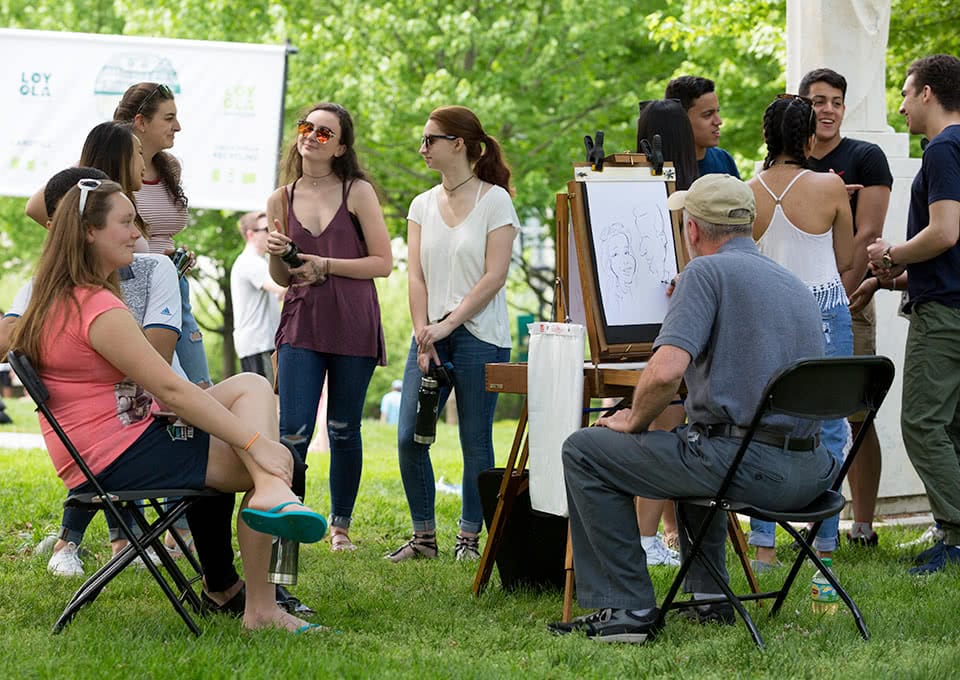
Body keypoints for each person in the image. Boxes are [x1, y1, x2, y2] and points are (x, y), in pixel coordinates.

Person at [9, 178, 327, 633]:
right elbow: (171, 390)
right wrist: (256, 443)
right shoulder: (96, 306)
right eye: (125, 223)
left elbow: (162, 395)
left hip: (113, 441)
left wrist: (250, 442)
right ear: (89, 232)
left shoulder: (55, 296)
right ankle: (262, 607)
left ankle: (267, 510)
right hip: (120, 454)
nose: (137, 234)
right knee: (283, 463)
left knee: (252, 385)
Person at [549, 174, 833, 643]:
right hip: (812, 473)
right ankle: (710, 599)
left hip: (750, 469)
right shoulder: (792, 283)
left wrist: (632, 419)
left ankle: (627, 610)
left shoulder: (703, 274)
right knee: (696, 439)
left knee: (585, 450)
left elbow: (664, 373)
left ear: (693, 230)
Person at [387, 105, 520, 563]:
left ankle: (469, 538)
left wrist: (448, 323)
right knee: (409, 436)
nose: (423, 148)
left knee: (475, 439)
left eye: (430, 140)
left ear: (458, 144)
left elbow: (494, 276)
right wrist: (425, 331)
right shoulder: (421, 205)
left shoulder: (495, 200)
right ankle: (424, 538)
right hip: (430, 335)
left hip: (479, 334)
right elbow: (415, 276)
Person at [266, 102, 392, 553]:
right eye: (306, 127)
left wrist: (326, 263)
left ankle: (340, 528)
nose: (310, 136)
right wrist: (278, 253)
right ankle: (289, 520)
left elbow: (384, 263)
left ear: (340, 147)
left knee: (342, 427)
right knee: (292, 430)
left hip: (353, 321)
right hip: (302, 322)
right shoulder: (280, 198)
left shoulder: (357, 191)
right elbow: (281, 278)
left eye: (324, 132)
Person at [747, 94, 854, 571]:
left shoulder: (747, 190)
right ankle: (824, 549)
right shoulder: (830, 188)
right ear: (810, 138)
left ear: (767, 137)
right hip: (826, 314)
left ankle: (765, 548)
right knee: (831, 428)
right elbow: (847, 257)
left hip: (767, 318)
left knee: (764, 428)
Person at [862, 54, 960, 575]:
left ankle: (958, 537)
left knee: (922, 424)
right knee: (955, 429)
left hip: (945, 315)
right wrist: (898, 277)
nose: (899, 105)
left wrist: (891, 255)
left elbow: (945, 232)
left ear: (928, 93)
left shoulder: (945, 147)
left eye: (904, 93)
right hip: (949, 297)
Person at [800, 68, 893, 547]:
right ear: (803, 107)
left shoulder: (866, 157)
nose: (829, 109)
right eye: (819, 101)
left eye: (836, 100)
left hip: (848, 301)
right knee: (798, 410)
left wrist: (840, 293)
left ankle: (862, 524)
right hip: (795, 305)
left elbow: (867, 236)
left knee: (855, 415)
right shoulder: (787, 162)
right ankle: (811, 514)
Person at [632, 98, 701, 566]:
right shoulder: (694, 188)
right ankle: (652, 538)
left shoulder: (643, 188)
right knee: (667, 428)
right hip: (689, 327)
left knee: (663, 428)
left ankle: (654, 536)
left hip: (649, 327)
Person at [114, 82, 212, 389]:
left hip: (175, 284)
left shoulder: (170, 166)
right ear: (141, 122)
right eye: (168, 118)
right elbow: (40, 207)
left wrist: (174, 258)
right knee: (163, 389)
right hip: (132, 292)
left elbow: (161, 231)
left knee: (199, 384)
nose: (178, 127)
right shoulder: (103, 165)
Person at [231, 211, 284, 383]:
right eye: (267, 229)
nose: (272, 233)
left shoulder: (259, 261)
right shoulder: (250, 261)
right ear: (250, 234)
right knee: (265, 402)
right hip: (259, 344)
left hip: (259, 344)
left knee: (268, 401)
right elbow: (282, 288)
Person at [664, 76, 740, 178]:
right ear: (681, 119)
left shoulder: (724, 159)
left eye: (717, 111)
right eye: (708, 114)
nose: (718, 121)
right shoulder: (660, 167)